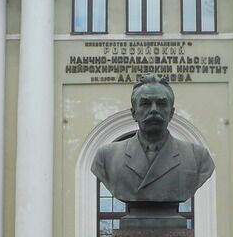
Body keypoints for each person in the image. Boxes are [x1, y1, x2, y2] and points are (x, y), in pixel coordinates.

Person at [91, 75, 215, 210]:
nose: (154, 110)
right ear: (134, 113)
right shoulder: (107, 157)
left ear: (171, 113)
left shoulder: (198, 157)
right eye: (145, 103)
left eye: (161, 103)